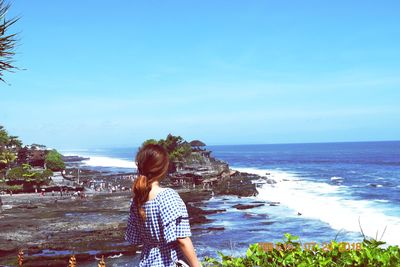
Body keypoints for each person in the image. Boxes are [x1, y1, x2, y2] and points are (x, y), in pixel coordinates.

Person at [125, 144, 201, 267]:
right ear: (163, 168)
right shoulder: (167, 196)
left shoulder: (137, 200)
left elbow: (134, 238)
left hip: (147, 261)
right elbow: (182, 240)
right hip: (168, 262)